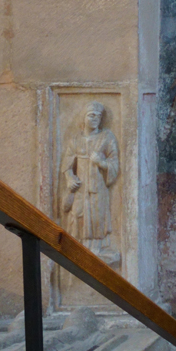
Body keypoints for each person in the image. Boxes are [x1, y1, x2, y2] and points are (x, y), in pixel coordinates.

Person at [63, 101, 121, 266]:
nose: (95, 118)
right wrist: (69, 178)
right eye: (91, 115)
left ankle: (97, 250)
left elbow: (115, 164)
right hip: (80, 187)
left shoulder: (107, 137)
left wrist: (100, 162)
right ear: (84, 117)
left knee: (97, 217)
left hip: (98, 187)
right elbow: (67, 165)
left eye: (98, 116)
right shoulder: (76, 140)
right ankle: (78, 249)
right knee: (78, 215)